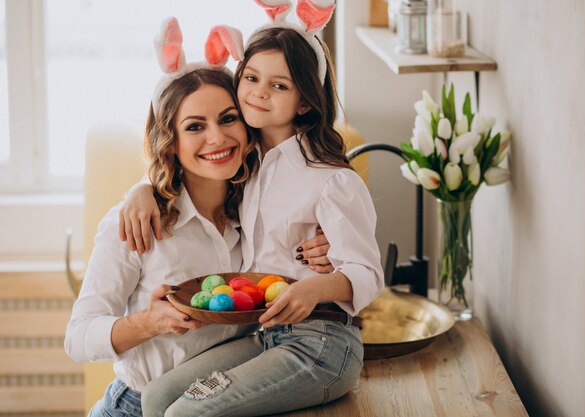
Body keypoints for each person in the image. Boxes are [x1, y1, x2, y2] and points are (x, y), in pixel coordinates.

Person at [122, 2, 384, 416]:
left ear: (304, 103)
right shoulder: (243, 163)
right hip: (264, 336)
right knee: (155, 398)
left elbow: (368, 273)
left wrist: (316, 287)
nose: (259, 92)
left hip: (322, 344)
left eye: (279, 86)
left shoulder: (333, 180)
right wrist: (142, 189)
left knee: (186, 413)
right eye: (251, 78)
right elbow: (180, 165)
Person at [65, 19, 266, 417]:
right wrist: (149, 322)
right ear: (170, 143)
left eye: (228, 118)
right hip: (138, 406)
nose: (217, 138)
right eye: (195, 126)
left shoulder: (259, 209)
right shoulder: (137, 224)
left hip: (227, 401)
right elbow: (78, 338)